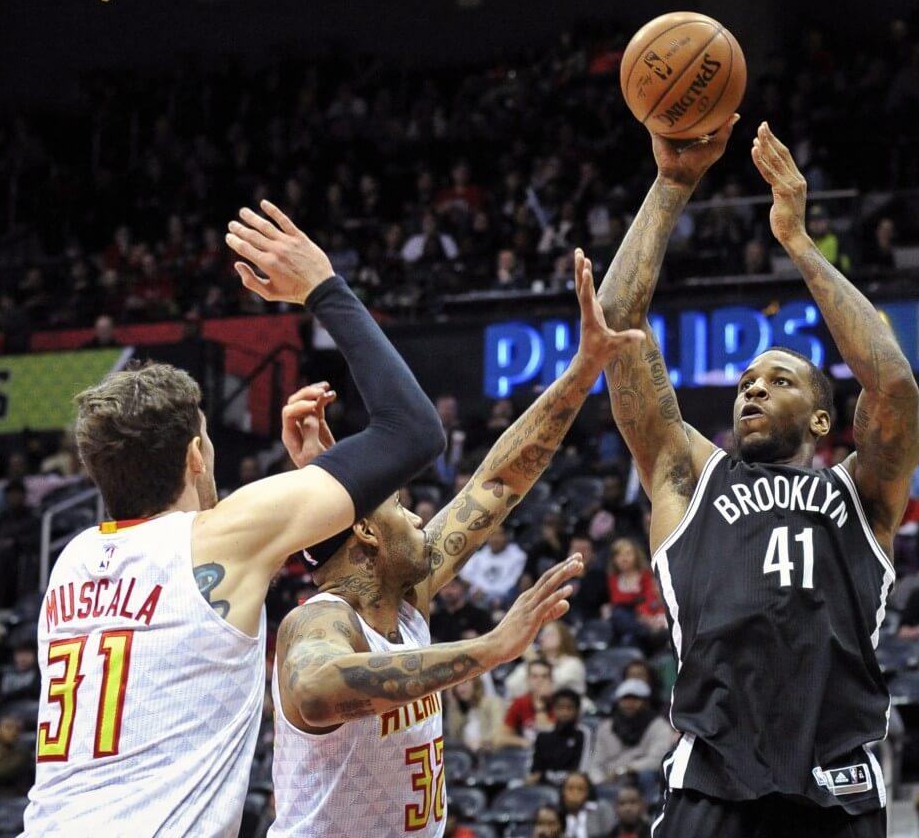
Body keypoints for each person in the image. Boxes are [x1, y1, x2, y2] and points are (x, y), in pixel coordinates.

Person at [23, 199, 448, 836]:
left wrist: (320, 483)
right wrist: (325, 289)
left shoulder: (73, 561)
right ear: (197, 454)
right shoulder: (221, 540)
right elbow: (413, 430)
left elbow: (199, 587)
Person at [596, 121, 918, 836]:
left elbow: (892, 383)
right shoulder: (689, 478)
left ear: (823, 421)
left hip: (838, 782)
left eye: (779, 379)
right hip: (713, 775)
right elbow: (617, 324)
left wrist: (800, 245)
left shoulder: (858, 493)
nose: (753, 389)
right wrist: (672, 183)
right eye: (745, 380)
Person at [267, 250, 641, 836]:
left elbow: (499, 481)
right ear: (365, 532)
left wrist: (582, 370)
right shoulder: (319, 622)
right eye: (399, 508)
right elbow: (314, 689)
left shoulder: (405, 596)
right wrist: (487, 650)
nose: (421, 518)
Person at [589, 679, 678, 788]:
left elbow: (657, 759)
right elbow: (596, 762)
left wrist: (624, 770)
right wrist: (600, 781)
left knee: (646, 775)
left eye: (635, 699)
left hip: (637, 781)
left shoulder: (659, 726)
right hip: (607, 781)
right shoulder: (606, 726)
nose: (629, 704)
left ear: (646, 702)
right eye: (625, 699)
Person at [606, 539, 666, 649]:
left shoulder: (645, 575)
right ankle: (643, 633)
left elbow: (650, 599)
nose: (624, 559)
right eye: (619, 555)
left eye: (628, 554)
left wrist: (644, 615)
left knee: (629, 637)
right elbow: (616, 601)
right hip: (628, 619)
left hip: (647, 614)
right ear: (614, 560)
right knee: (618, 616)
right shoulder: (613, 579)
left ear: (636, 556)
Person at [504, 622, 586, 698]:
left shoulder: (573, 663)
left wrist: (534, 661)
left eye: (550, 634)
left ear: (563, 637)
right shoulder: (532, 662)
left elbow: (554, 685)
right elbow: (512, 684)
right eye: (542, 634)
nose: (543, 638)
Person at [459, 524, 527, 610]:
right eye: (492, 535)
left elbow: (512, 583)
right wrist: (474, 590)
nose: (495, 539)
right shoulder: (479, 556)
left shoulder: (518, 556)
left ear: (507, 536)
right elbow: (465, 576)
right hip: (478, 597)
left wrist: (487, 593)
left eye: (499, 535)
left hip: (504, 599)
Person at [531, 689, 591, 786]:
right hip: (543, 785)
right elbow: (534, 769)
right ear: (554, 709)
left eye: (569, 708)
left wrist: (546, 776)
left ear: (577, 710)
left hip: (572, 785)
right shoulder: (543, 734)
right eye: (560, 708)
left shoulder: (583, 733)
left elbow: (582, 769)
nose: (565, 713)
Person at [500, 658, 557, 748]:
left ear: (551, 679)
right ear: (528, 679)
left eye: (544, 676)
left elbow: (547, 736)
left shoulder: (559, 703)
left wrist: (540, 704)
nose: (539, 681)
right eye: (535, 676)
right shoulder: (520, 702)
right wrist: (524, 742)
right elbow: (500, 737)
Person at [443, 677, 505, 753]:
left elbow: (498, 734)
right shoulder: (459, 709)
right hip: (466, 756)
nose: (460, 689)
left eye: (464, 683)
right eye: (456, 686)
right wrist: (453, 704)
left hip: (489, 754)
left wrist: (479, 742)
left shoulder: (493, 703)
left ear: (475, 683)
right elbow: (453, 736)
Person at [430, 577, 495, 643]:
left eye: (453, 586)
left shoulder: (479, 615)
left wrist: (477, 639)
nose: (448, 591)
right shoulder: (435, 616)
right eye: (444, 587)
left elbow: (490, 641)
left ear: (462, 588)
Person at [561, 771, 618, 838]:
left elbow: (612, 834)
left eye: (580, 789)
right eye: (570, 788)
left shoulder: (601, 808)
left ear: (588, 792)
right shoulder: (557, 814)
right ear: (562, 791)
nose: (575, 793)